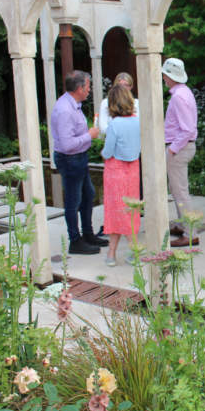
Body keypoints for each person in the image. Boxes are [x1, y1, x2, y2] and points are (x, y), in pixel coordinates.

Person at [50, 70, 109, 254]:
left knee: (88, 194)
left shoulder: (74, 104)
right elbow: (67, 145)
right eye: (87, 86)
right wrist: (89, 136)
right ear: (79, 88)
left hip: (79, 157)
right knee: (73, 200)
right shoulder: (65, 110)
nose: (89, 90)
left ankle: (88, 234)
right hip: (70, 159)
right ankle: (75, 241)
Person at [100, 84, 141, 266]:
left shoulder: (114, 125)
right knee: (131, 211)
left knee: (115, 211)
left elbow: (108, 152)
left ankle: (112, 254)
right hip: (133, 170)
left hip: (115, 171)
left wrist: (102, 153)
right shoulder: (138, 121)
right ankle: (132, 251)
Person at [161, 57, 199, 247]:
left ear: (169, 76)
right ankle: (183, 225)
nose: (163, 78)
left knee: (180, 191)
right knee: (178, 189)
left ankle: (190, 233)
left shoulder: (178, 97)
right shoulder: (183, 92)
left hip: (180, 148)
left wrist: (172, 150)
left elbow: (187, 129)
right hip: (182, 147)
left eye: (164, 75)